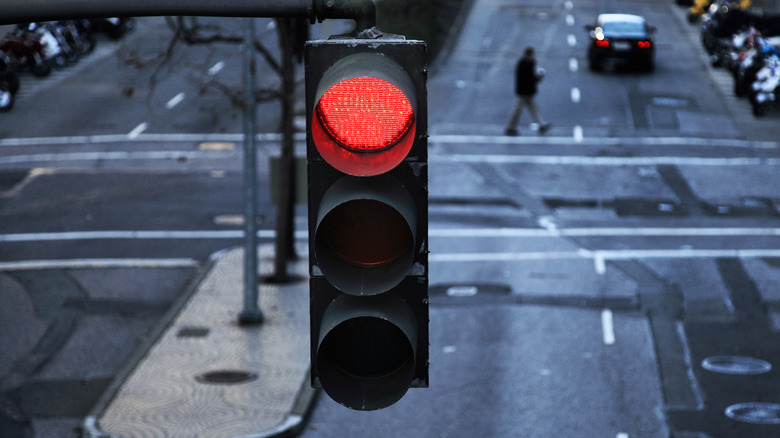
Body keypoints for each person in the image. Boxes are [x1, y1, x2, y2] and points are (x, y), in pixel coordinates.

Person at [505, 47, 550, 136]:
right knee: (518, 110)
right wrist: (537, 78)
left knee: (533, 108)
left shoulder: (528, 63)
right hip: (524, 92)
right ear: (529, 54)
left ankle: (541, 125)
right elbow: (527, 78)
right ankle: (510, 127)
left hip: (527, 92)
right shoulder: (524, 64)